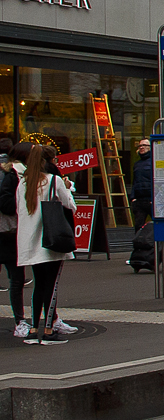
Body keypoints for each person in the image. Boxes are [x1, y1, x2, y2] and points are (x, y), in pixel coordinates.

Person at [16, 145, 75, 344]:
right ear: (45, 161)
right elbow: (70, 205)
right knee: (51, 285)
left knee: (38, 286)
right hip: (51, 241)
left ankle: (33, 329)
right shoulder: (54, 181)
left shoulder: (23, 183)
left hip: (30, 242)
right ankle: (49, 330)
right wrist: (68, 189)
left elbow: (18, 210)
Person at [1, 141, 29, 337]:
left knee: (16, 278)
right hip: (9, 231)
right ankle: (20, 321)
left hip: (8, 231)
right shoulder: (13, 175)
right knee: (16, 279)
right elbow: (6, 204)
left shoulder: (11, 173)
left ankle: (20, 320)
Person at [131, 139, 153, 229]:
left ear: (150, 147)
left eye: (144, 145)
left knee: (159, 224)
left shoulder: (154, 162)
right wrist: (133, 198)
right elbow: (135, 181)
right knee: (138, 226)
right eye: (140, 145)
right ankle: (139, 242)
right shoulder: (137, 164)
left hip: (151, 199)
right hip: (139, 200)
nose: (141, 147)